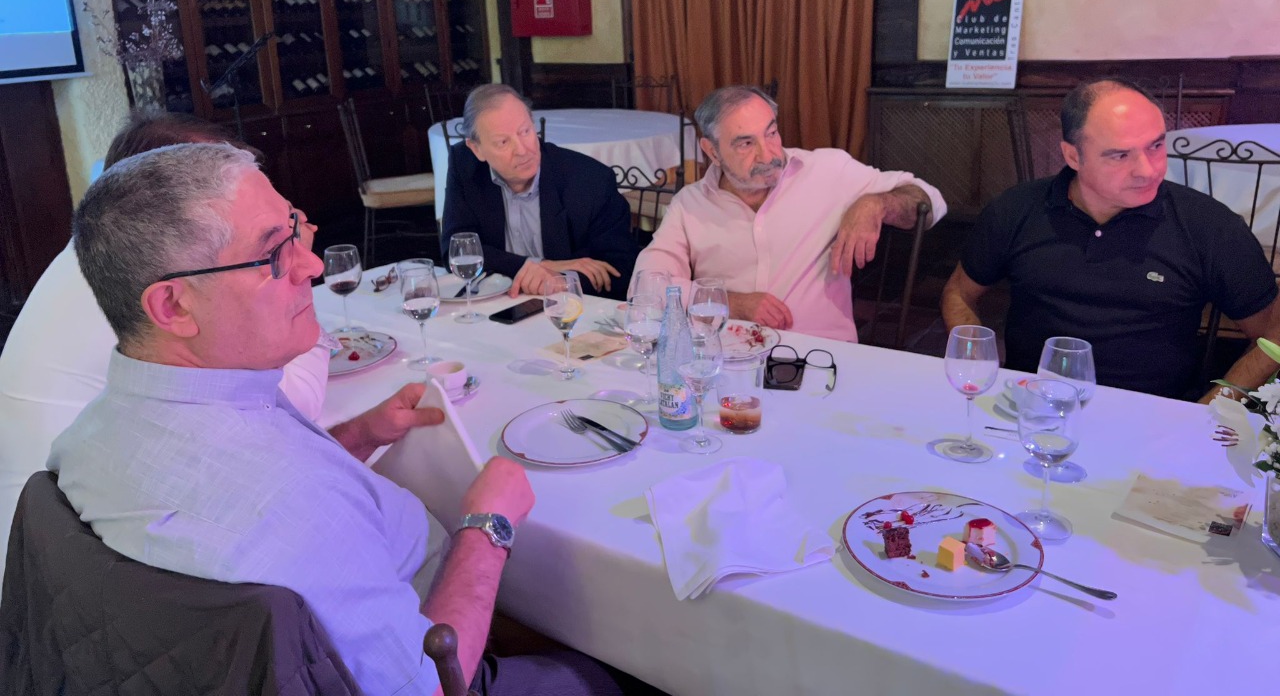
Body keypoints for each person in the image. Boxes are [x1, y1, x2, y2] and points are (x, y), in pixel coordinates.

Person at [47, 143, 623, 696]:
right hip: (450, 653)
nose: (313, 264)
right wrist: (487, 526)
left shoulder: (84, 441)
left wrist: (354, 436)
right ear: (173, 306)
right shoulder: (285, 501)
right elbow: (429, 685)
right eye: (275, 254)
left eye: (295, 229)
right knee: (605, 665)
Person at [0, 109, 330, 587]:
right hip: (85, 571)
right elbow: (293, 407)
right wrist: (309, 316)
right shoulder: (153, 282)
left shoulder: (99, 260)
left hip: (64, 543)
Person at [941, 78, 1280, 401]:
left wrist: (1211, 411)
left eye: (1156, 146)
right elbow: (959, 292)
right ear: (1073, 156)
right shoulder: (1016, 209)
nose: (1147, 170)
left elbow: (1273, 336)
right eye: (1120, 155)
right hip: (1031, 407)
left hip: (1157, 417)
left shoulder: (1208, 225)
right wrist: (977, 370)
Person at [632, 85, 946, 341]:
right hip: (727, 360)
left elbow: (930, 201)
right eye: (745, 143)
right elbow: (645, 287)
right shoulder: (690, 204)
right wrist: (732, 303)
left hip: (823, 356)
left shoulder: (827, 171)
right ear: (712, 151)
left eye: (771, 133)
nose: (768, 154)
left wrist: (876, 204)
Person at [442, 84, 637, 299]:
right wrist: (540, 265)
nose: (522, 150)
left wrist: (560, 280)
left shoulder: (590, 180)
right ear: (476, 149)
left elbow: (620, 269)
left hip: (569, 307)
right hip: (498, 305)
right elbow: (457, 251)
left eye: (525, 131)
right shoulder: (465, 166)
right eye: (503, 142)